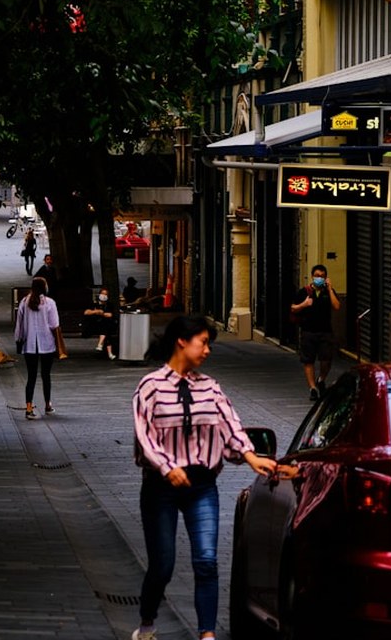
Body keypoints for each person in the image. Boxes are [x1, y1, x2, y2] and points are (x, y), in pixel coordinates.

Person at [131, 315, 278, 640]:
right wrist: (168, 467)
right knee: (163, 565)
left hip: (201, 485)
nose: (207, 350)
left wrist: (252, 456)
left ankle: (207, 634)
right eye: (203, 342)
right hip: (160, 487)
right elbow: (145, 437)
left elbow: (230, 426)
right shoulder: (150, 387)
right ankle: (147, 623)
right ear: (182, 342)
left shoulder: (210, 388)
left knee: (207, 561)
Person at [289, 263, 341, 400]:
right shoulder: (304, 292)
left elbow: (336, 306)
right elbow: (293, 308)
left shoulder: (328, 292)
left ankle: (321, 379)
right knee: (308, 360)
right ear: (312, 276)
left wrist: (330, 289)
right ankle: (312, 388)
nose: (320, 278)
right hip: (308, 331)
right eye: (317, 276)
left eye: (322, 276)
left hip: (325, 331)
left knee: (326, 360)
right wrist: (304, 304)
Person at [14, 276, 62, 420]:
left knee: (31, 377)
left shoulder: (24, 302)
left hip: (29, 344)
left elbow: (19, 325)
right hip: (47, 343)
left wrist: (18, 340)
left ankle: (29, 407)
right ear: (44, 287)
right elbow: (54, 324)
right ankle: (47, 404)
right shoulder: (49, 303)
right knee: (46, 375)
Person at [84, 287, 118, 360]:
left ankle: (101, 345)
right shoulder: (94, 303)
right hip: (94, 324)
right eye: (102, 294)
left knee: (106, 325)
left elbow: (111, 315)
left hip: (105, 325)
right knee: (106, 328)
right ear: (99, 294)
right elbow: (86, 312)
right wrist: (96, 312)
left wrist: (102, 314)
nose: (104, 296)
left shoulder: (109, 305)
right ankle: (108, 352)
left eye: (106, 294)